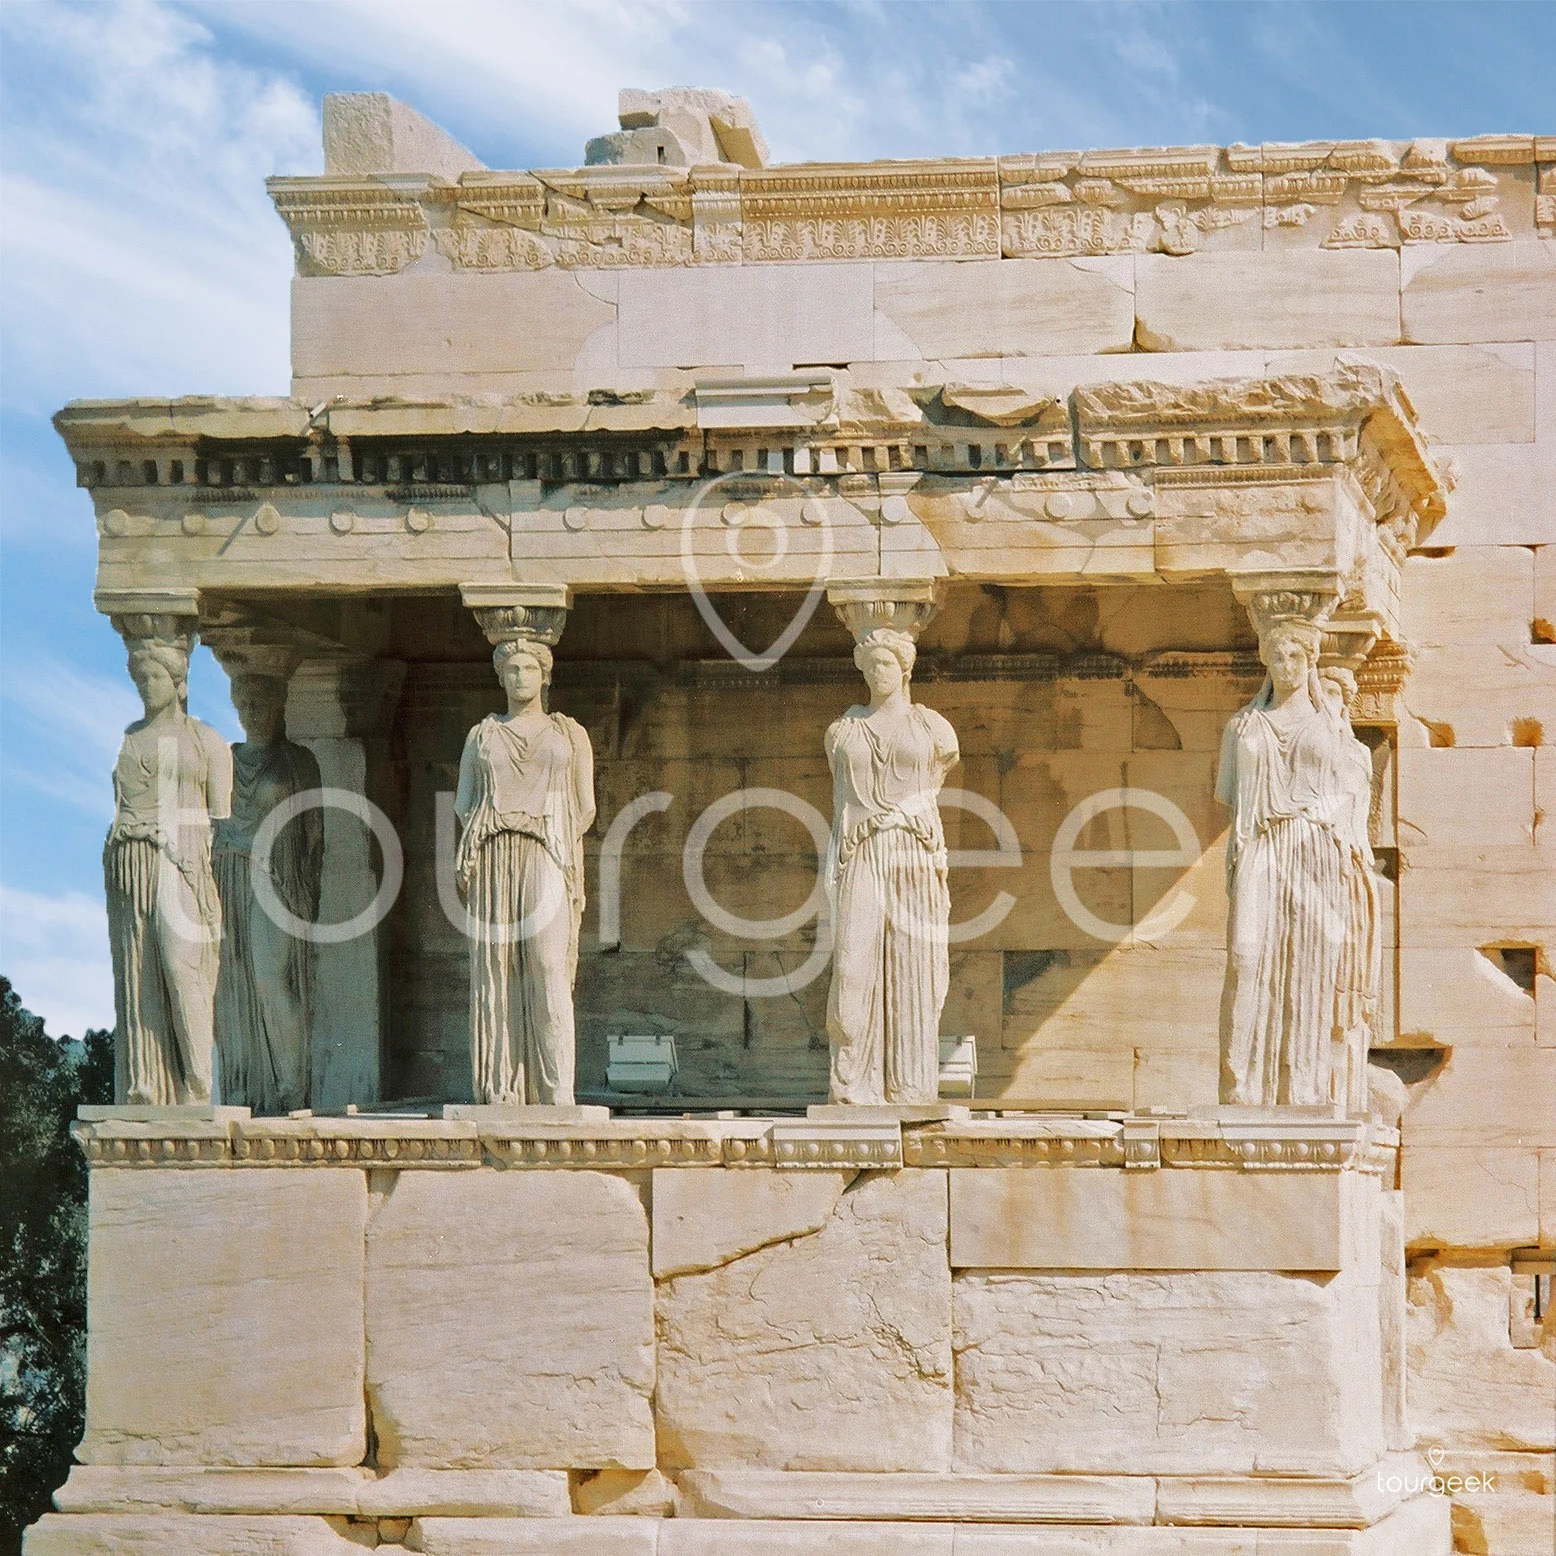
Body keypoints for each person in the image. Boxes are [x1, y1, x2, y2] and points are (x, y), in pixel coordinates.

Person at [1216, 618, 1374, 1108]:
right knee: (1245, 956)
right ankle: (1240, 1086)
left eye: (1296, 658)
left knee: (1308, 965)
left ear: (1310, 663)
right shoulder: (1242, 726)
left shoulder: (1333, 728)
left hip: (1314, 848)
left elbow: (1350, 796)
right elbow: (1229, 795)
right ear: (1266, 662)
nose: (1286, 667)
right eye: (1277, 658)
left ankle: (1300, 1089)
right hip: (1261, 845)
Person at [454, 638, 594, 1105]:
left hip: (547, 848)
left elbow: (586, 806)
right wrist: (497, 827)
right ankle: (503, 1089)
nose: (520, 677)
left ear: (544, 673)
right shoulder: (481, 735)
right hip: (494, 854)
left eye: (529, 668)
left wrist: (546, 830)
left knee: (547, 962)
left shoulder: (569, 733)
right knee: (498, 970)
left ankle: (557, 1090)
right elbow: (463, 802)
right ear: (500, 677)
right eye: (511, 669)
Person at [825, 627, 959, 1105]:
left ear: (904, 668)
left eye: (884, 663)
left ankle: (910, 1084)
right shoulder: (842, 732)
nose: (875, 672)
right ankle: (854, 1083)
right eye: (868, 665)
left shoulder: (935, 728)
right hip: (862, 851)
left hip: (912, 851)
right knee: (852, 965)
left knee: (912, 963)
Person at [104, 632, 232, 1105]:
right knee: (138, 971)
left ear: (178, 680)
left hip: (184, 859)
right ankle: (149, 1085)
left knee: (182, 963)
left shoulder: (207, 741)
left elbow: (223, 818)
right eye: (139, 678)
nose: (146, 686)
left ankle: (200, 1081)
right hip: (130, 858)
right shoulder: (130, 738)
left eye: (154, 677)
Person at [213, 672, 323, 1114]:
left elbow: (314, 835)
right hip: (228, 875)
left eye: (260, 703)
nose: (252, 713)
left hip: (277, 879)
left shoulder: (298, 761)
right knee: (231, 981)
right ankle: (244, 1089)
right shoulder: (225, 759)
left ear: (279, 706)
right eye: (244, 704)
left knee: (270, 980)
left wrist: (305, 893)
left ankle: (292, 1087)